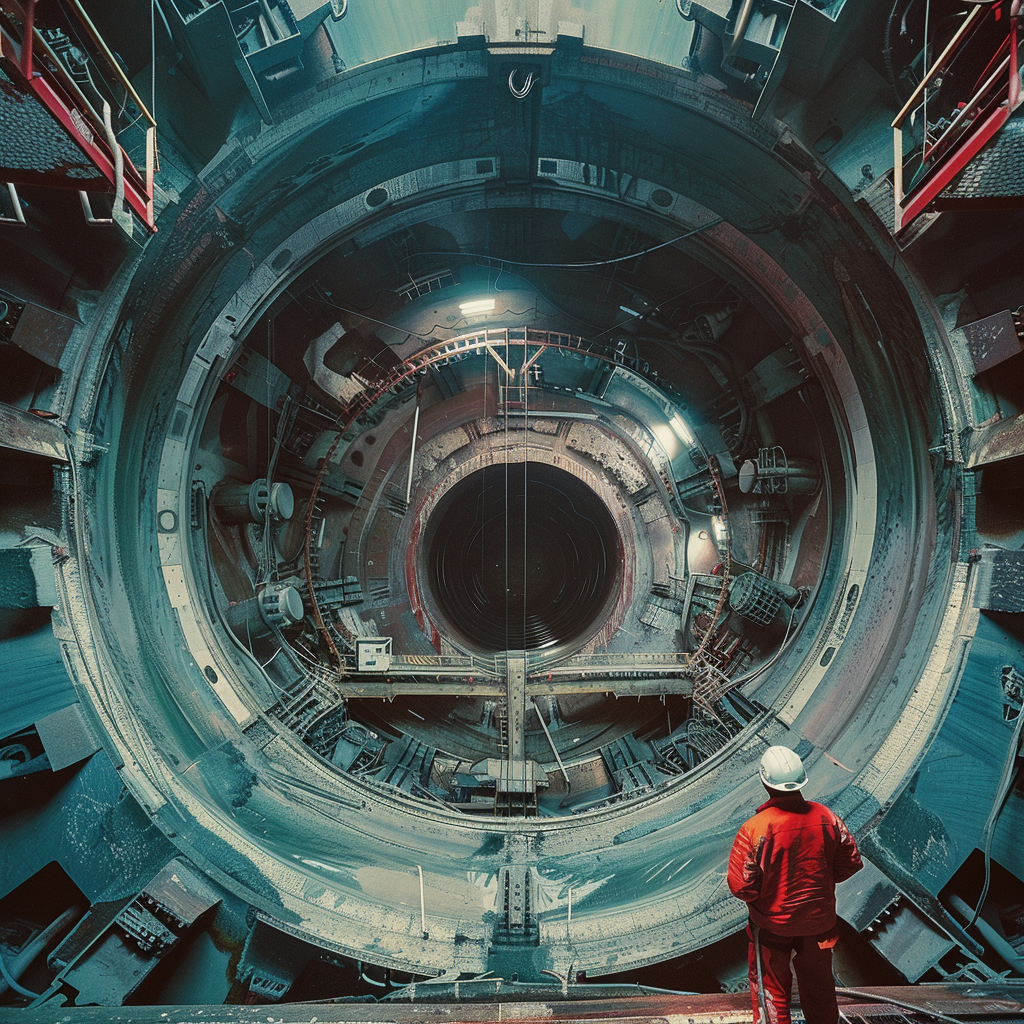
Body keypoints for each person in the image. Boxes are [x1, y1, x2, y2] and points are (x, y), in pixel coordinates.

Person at [727, 746, 862, 1024]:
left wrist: (769, 895)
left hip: (773, 926)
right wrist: (820, 881)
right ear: (803, 780)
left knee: (772, 991)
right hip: (820, 923)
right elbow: (851, 861)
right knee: (821, 987)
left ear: (765, 781)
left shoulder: (755, 828)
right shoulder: (827, 817)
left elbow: (741, 886)